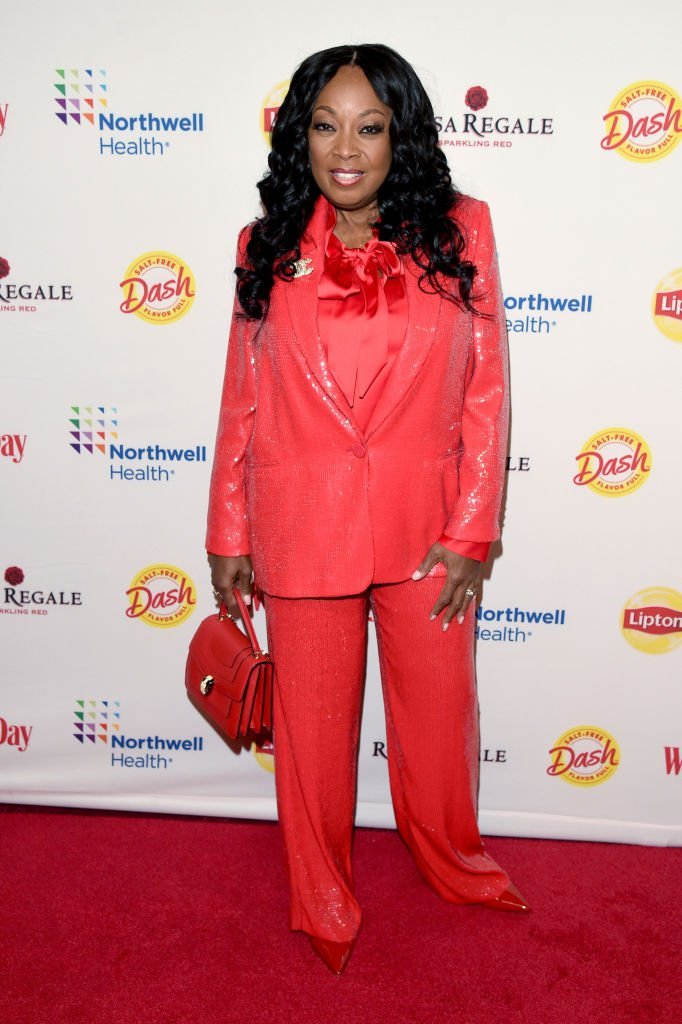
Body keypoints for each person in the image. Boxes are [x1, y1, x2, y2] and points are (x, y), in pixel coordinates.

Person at [207, 43, 529, 975]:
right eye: (324, 124)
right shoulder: (262, 244)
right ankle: (321, 897)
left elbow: (486, 390)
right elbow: (242, 394)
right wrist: (229, 528)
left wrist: (474, 527)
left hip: (428, 529)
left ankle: (454, 861)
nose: (346, 148)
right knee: (310, 737)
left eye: (371, 126)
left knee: (436, 718)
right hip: (301, 525)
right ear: (298, 133)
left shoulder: (462, 229)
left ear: (402, 135)